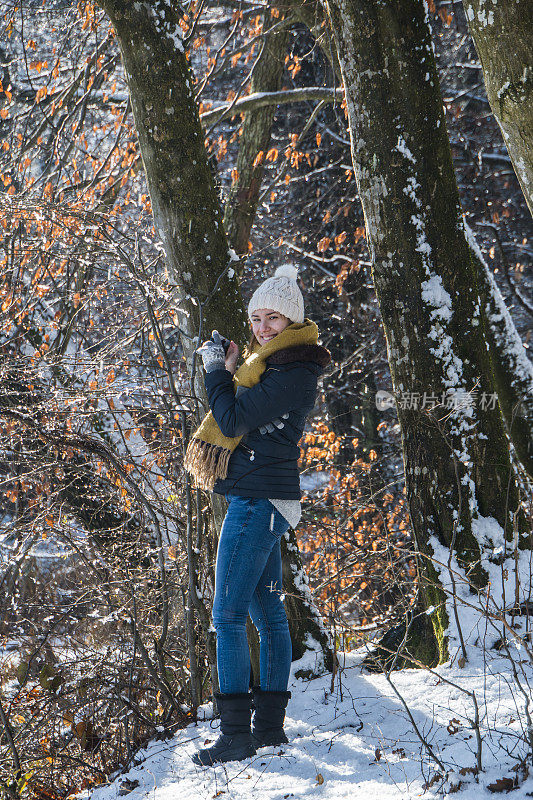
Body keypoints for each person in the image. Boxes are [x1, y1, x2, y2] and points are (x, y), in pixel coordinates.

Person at [184, 265, 331, 767]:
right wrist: (230, 368)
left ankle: (235, 736)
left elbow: (231, 418)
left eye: (273, 317)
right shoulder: (274, 366)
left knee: (226, 614)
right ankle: (267, 729)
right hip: (266, 497)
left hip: (257, 501)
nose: (263, 327)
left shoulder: (291, 371)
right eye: (256, 318)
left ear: (292, 320)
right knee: (267, 612)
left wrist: (215, 373)